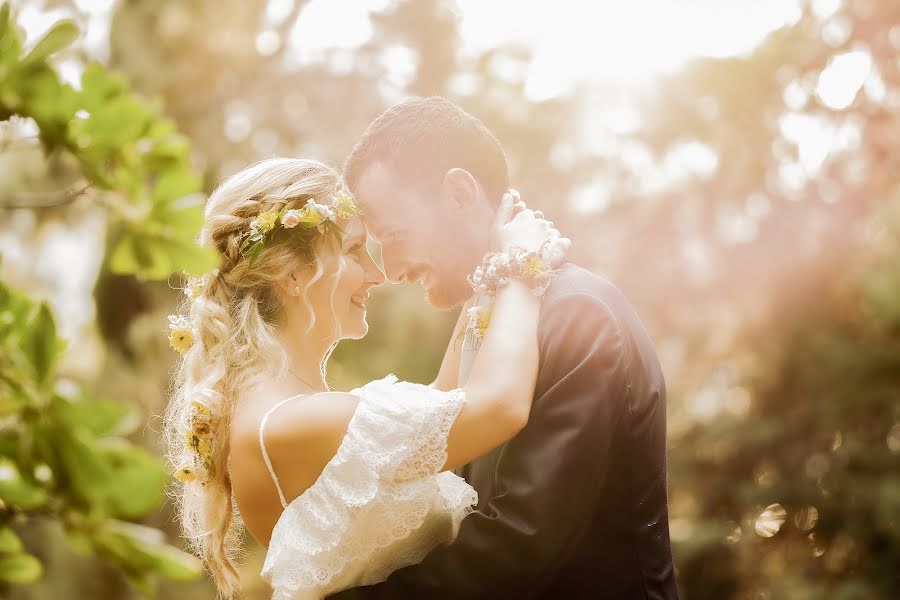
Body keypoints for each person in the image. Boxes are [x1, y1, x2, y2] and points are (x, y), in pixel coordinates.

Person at [163, 157, 568, 599]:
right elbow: (498, 406)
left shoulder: (285, 413)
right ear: (293, 274)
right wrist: (521, 262)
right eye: (354, 250)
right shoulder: (288, 423)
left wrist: (484, 270)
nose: (376, 275)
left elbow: (444, 399)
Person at [330, 96, 679, 599]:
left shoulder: (578, 314)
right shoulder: (492, 320)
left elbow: (523, 543)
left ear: (458, 192)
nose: (392, 269)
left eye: (396, 235)